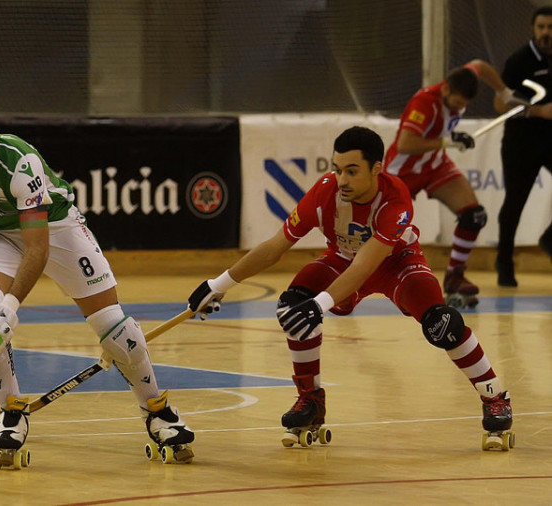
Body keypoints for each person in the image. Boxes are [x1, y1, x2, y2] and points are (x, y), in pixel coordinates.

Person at [186, 126, 513, 451]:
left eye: (352, 171)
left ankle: (495, 396)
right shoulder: (324, 192)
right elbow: (275, 247)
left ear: (377, 169)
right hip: (343, 259)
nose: (341, 179)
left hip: (395, 263)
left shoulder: (396, 199)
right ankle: (310, 399)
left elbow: (366, 267)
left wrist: (320, 305)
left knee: (441, 324)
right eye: (337, 169)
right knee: (292, 307)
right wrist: (218, 284)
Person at [0, 100, 194, 466]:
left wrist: (13, 305)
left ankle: (157, 410)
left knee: (114, 327)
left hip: (55, 226)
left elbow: (37, 247)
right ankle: (12, 413)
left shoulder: (19, 162)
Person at [383, 60, 526, 307]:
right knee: (380, 228)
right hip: (403, 172)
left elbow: (480, 66)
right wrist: (446, 142)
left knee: (474, 216)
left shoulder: (461, 79)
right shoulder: (425, 104)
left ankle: (454, 277)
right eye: (459, 103)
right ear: (446, 89)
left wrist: (503, 91)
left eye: (465, 105)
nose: (462, 108)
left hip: (434, 165)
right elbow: (406, 144)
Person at [494, 6, 552, 287]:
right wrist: (538, 111)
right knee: (515, 203)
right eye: (541, 27)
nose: (546, 33)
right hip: (522, 142)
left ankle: (549, 239)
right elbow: (499, 103)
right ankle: (504, 263)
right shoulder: (519, 60)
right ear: (533, 28)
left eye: (551, 27)